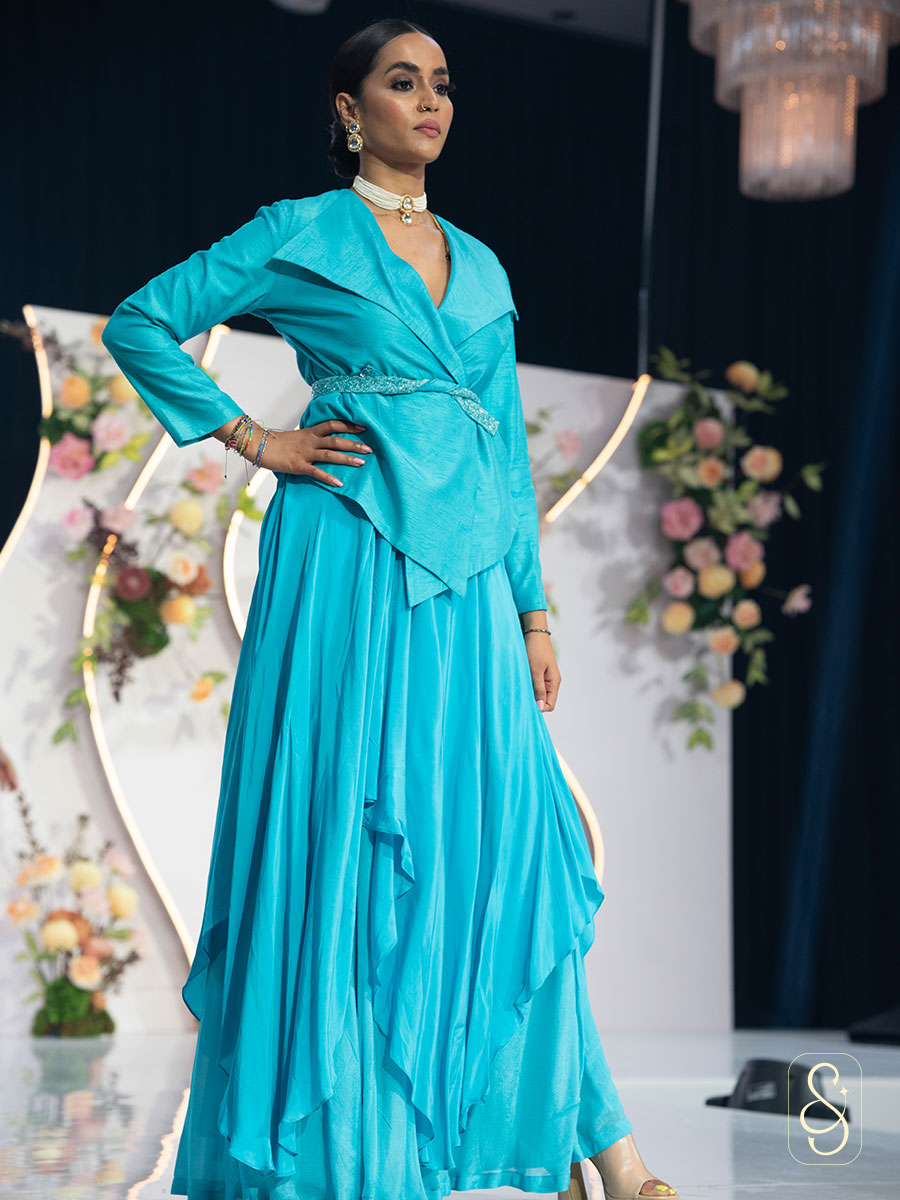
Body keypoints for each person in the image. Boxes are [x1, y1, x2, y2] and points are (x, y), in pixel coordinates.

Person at [101, 18, 679, 1200]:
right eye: (402, 82)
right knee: (349, 843)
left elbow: (507, 454)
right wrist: (257, 439)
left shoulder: (484, 262)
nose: (431, 102)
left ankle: (589, 1146)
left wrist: (534, 612)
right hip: (348, 561)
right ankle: (362, 1157)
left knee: (505, 846)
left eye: (443, 85)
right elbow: (140, 320)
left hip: (469, 587)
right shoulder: (301, 231)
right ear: (351, 110)